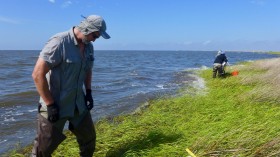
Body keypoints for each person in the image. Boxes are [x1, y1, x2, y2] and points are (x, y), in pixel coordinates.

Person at [31, 15, 110, 157]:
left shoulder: (88, 47)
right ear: (87, 29)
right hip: (55, 105)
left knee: (89, 139)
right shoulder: (59, 42)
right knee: (43, 149)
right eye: (95, 36)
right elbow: (37, 74)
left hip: (78, 104)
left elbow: (88, 70)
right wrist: (50, 104)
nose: (94, 40)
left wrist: (89, 92)